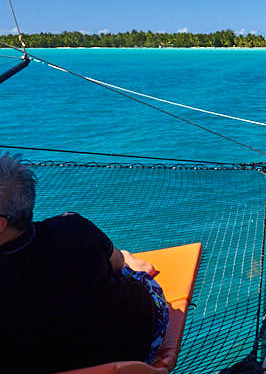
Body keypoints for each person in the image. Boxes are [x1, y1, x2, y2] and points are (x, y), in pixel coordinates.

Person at [0, 154, 170, 373]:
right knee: (118, 264)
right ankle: (129, 258)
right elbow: (115, 263)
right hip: (136, 347)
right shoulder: (72, 227)